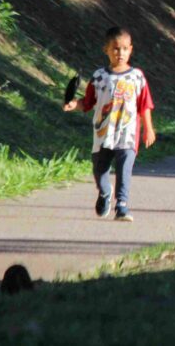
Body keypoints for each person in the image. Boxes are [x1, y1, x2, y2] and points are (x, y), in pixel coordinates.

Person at [63, 26, 155, 222]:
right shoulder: (99, 77)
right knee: (100, 170)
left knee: (124, 169)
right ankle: (105, 192)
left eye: (124, 49)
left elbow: (144, 105)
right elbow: (87, 102)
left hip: (128, 134)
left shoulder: (137, 77)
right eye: (115, 48)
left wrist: (148, 129)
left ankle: (122, 206)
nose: (120, 53)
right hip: (103, 133)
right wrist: (74, 104)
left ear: (131, 49)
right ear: (106, 50)